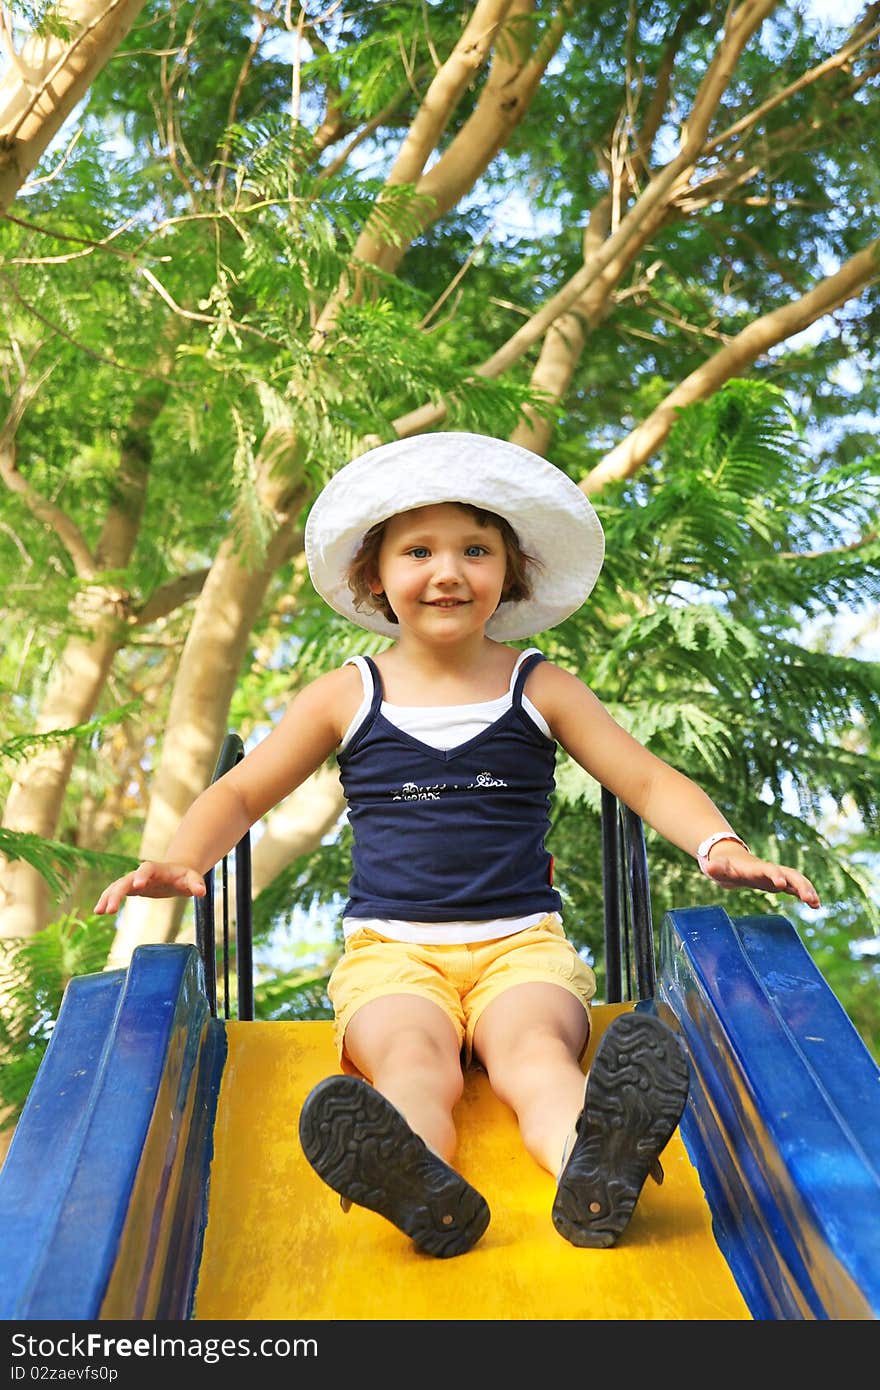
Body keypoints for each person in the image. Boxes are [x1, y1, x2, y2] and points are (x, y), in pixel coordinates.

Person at [95, 432, 820, 1260]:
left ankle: (593, 1168)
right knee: (412, 1062)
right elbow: (242, 790)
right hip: (391, 954)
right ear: (376, 578)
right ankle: (418, 1183)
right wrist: (188, 856)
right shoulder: (345, 694)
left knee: (538, 1054)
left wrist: (718, 843)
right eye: (419, 551)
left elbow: (647, 781)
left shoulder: (538, 685)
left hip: (522, 948)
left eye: (476, 549)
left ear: (509, 574)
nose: (448, 570)